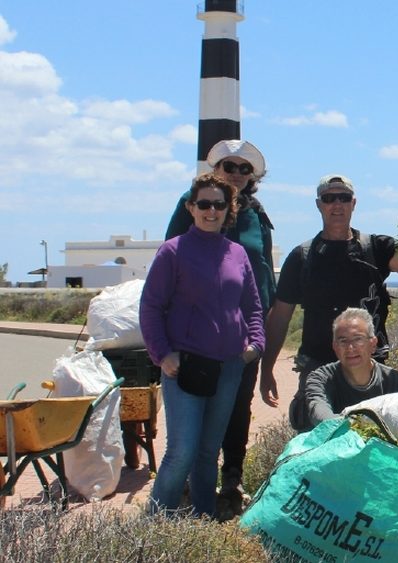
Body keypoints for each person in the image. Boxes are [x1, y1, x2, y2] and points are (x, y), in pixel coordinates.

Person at [260, 173, 398, 432]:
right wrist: (267, 370)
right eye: (329, 198)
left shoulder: (375, 247)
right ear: (319, 204)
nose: (337, 204)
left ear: (354, 203)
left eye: (343, 197)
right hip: (318, 368)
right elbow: (280, 317)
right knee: (319, 439)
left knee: (374, 442)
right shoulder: (301, 257)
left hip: (369, 367)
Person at [140, 173, 264, 517]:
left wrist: (256, 343)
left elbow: (252, 306)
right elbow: (150, 306)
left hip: (228, 367)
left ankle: (202, 520)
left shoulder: (237, 253)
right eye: (204, 204)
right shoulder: (173, 251)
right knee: (182, 450)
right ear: (191, 208)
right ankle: (155, 529)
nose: (212, 211)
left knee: (209, 453)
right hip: (185, 368)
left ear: (230, 209)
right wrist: (161, 354)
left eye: (219, 204)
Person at [163, 139, 275, 503]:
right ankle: (183, 486)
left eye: (245, 168)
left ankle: (231, 479)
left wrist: (259, 335)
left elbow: (264, 272)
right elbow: (170, 267)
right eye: (230, 166)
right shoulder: (195, 205)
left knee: (238, 407)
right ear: (215, 171)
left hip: (242, 336)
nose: (238, 174)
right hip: (195, 337)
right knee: (193, 413)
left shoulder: (256, 214)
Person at [305, 308, 398, 426]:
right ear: (335, 347)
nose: (350, 348)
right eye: (343, 341)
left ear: (373, 344)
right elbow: (319, 411)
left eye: (358, 339)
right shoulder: (320, 379)